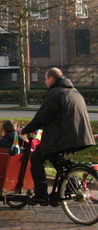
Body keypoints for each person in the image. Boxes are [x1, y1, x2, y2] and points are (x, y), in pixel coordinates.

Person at [20, 68, 95, 205]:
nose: (45, 82)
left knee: (36, 158)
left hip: (62, 137)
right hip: (80, 137)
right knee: (56, 158)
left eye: (45, 79)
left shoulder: (54, 93)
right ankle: (71, 185)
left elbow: (42, 117)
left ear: (51, 79)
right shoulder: (74, 91)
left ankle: (41, 194)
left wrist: (25, 130)